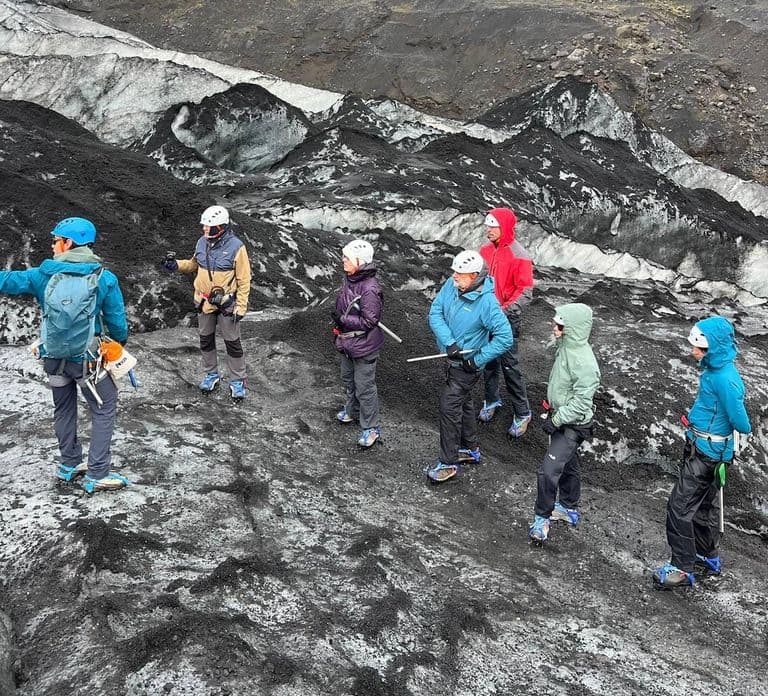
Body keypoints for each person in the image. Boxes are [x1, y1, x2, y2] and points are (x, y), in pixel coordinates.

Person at [0, 217, 129, 493]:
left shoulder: (41, 275)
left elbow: (7, 281)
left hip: (54, 360)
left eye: (56, 239)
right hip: (88, 361)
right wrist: (118, 343)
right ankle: (97, 473)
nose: (53, 244)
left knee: (64, 408)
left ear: (69, 243)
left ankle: (69, 464)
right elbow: (117, 320)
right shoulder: (104, 277)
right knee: (104, 407)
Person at [653, 316, 751, 588]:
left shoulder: (725, 380)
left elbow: (742, 422)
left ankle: (682, 568)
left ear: (716, 348)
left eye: (701, 348)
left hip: (708, 454)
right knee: (702, 508)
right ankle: (706, 555)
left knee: (679, 507)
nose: (694, 351)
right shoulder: (715, 372)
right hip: (707, 449)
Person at [426, 250, 513, 483]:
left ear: (474, 275)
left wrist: (478, 359)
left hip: (467, 367)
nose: (454, 276)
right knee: (463, 404)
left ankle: (448, 463)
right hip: (452, 358)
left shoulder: (487, 304)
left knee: (449, 406)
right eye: (454, 271)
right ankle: (470, 449)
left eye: (460, 273)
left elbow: (505, 338)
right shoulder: (452, 286)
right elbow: (435, 313)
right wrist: (449, 342)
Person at [162, 205, 252, 399]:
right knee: (206, 340)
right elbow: (194, 264)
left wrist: (241, 306)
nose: (204, 229)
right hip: (204, 302)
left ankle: (237, 380)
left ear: (220, 227)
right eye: (204, 226)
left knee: (232, 342)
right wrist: (176, 265)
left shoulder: (237, 247)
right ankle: (211, 374)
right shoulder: (202, 242)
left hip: (227, 304)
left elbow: (244, 280)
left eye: (208, 226)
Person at [529, 304, 600, 542]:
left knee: (548, 470)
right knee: (568, 463)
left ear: (573, 329)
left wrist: (557, 419)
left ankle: (542, 518)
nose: (554, 327)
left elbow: (582, 403)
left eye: (560, 325)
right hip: (563, 415)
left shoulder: (585, 362)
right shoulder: (567, 347)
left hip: (573, 423)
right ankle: (569, 507)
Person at [477, 207, 534, 437]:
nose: (487, 229)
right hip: (486, 318)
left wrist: (503, 311)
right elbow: (478, 280)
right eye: (487, 225)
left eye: (492, 225)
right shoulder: (484, 251)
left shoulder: (519, 254)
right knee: (489, 363)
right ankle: (491, 401)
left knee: (510, 366)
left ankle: (523, 412)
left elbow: (525, 291)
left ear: (504, 227)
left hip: (506, 320)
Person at [332, 239, 384, 448]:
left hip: (363, 345)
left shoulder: (370, 289)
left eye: (347, 257)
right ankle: (352, 411)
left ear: (359, 261)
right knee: (349, 380)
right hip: (348, 342)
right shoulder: (351, 279)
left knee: (365, 387)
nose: (343, 260)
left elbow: (370, 321)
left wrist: (342, 320)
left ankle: (371, 428)